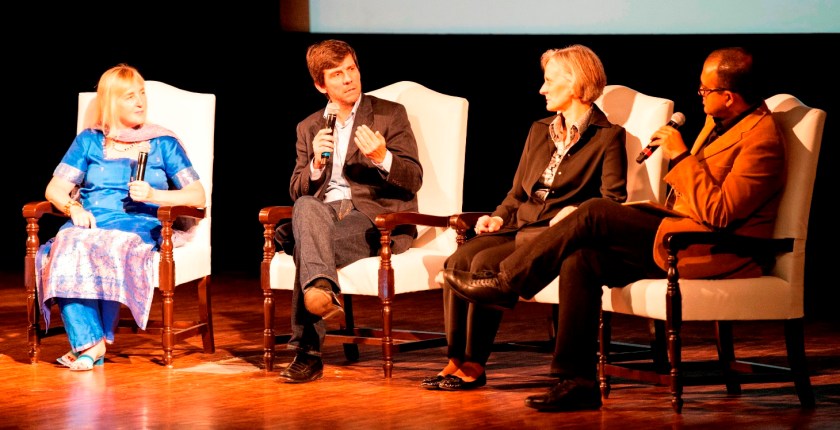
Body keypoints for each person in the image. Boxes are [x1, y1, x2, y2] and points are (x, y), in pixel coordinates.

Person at [443, 46, 785, 411]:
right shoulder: (719, 124)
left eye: (705, 91)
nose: (698, 96)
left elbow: (720, 214)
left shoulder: (761, 140)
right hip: (677, 232)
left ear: (728, 97)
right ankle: (578, 382)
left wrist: (681, 155)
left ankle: (507, 282)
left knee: (594, 210)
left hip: (714, 247)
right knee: (581, 260)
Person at [421, 45, 627, 391]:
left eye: (549, 82)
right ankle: (455, 358)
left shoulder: (607, 136)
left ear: (575, 84)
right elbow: (518, 192)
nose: (541, 89)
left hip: (552, 233)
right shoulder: (540, 129)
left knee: (485, 261)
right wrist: (497, 218)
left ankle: (474, 364)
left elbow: (612, 199)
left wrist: (575, 212)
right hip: (520, 224)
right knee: (458, 260)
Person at [36, 64, 207, 371]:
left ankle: (87, 345)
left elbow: (197, 197)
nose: (140, 102)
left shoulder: (162, 143)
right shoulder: (89, 140)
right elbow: (55, 188)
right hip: (92, 222)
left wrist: (155, 195)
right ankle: (92, 343)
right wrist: (73, 208)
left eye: (142, 94)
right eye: (130, 96)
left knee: (101, 245)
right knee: (63, 245)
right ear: (111, 102)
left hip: (139, 225)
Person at [276, 39, 422, 383]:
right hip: (323, 215)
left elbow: (413, 179)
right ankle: (321, 291)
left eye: (351, 69)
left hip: (375, 220)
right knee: (307, 205)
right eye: (337, 74)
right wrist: (314, 164)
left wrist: (382, 158)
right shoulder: (309, 126)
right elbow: (297, 189)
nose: (348, 79)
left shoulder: (389, 114)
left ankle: (308, 351)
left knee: (306, 248)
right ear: (320, 85)